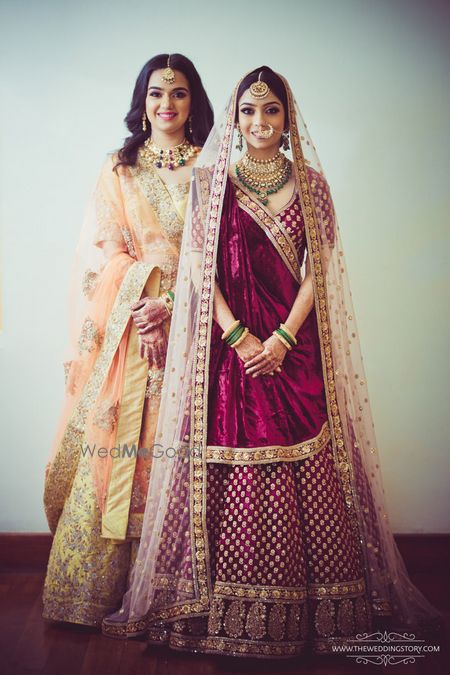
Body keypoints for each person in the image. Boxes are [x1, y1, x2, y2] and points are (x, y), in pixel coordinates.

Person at [101, 67, 443, 657]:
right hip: (232, 353)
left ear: (288, 120)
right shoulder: (212, 185)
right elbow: (199, 272)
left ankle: (317, 609)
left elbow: (319, 270)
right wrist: (238, 336)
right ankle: (223, 607)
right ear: (233, 120)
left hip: (295, 347)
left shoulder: (311, 184)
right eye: (249, 112)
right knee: (238, 458)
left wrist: (282, 338)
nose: (260, 123)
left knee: (306, 454)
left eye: (272, 112)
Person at [42, 53, 214, 627]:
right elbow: (103, 252)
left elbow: (219, 257)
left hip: (196, 324)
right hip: (133, 330)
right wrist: (142, 303)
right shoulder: (119, 167)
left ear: (195, 102)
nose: (167, 104)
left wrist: (174, 304)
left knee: (184, 445)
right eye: (157, 93)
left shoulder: (213, 169)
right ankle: (96, 592)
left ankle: (172, 592)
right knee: (120, 446)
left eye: (180, 93)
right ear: (142, 101)